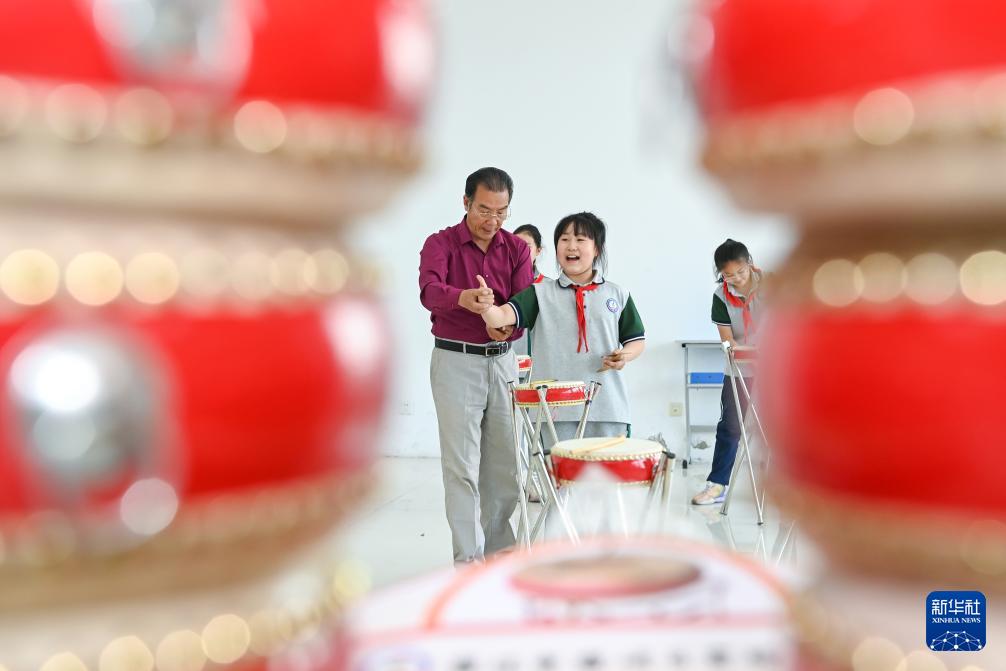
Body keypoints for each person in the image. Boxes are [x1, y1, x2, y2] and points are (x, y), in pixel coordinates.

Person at [418, 167, 533, 564]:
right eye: (484, 210)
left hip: (502, 363)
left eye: (501, 212)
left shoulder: (516, 249)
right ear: (466, 202)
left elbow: (524, 304)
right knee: (462, 468)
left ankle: (499, 556)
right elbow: (430, 291)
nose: (493, 220)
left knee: (505, 467)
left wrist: (507, 328)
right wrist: (463, 298)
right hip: (456, 361)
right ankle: (468, 562)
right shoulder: (440, 244)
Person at [480, 212, 645, 443]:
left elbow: (636, 340)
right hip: (553, 410)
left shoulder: (617, 294)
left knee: (604, 467)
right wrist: (485, 306)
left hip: (607, 408)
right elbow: (500, 317)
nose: (571, 246)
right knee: (556, 468)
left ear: (597, 249)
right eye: (564, 239)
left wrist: (624, 355)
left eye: (580, 239)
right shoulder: (539, 293)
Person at [691, 239, 765, 505]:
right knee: (731, 427)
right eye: (728, 275)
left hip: (775, 369)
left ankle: (786, 489)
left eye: (741, 272)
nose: (736, 279)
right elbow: (727, 340)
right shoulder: (721, 296)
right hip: (739, 370)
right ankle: (717, 485)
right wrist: (742, 349)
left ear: (750, 264)